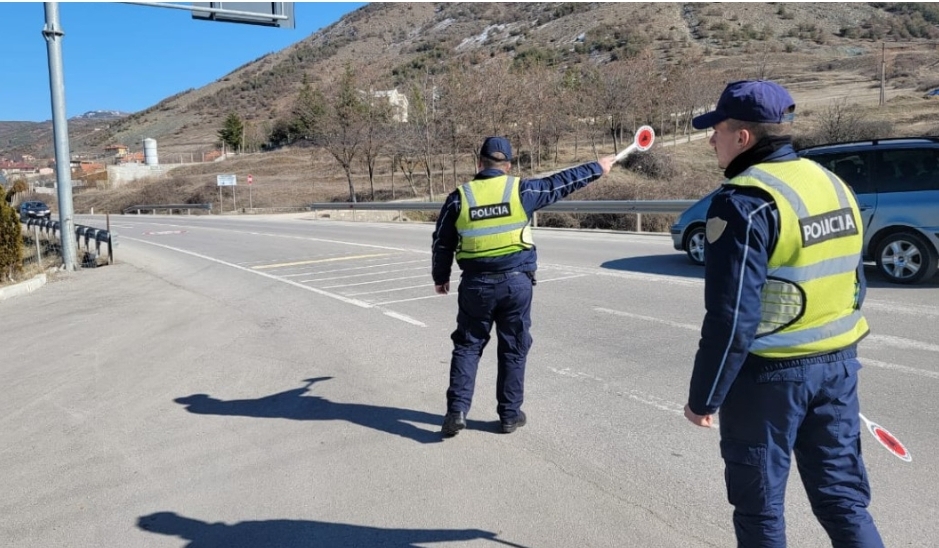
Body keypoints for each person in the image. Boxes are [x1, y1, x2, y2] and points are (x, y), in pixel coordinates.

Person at [683, 79, 884, 547]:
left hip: (769, 380)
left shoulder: (744, 203)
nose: (711, 138)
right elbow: (855, 282)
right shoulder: (832, 182)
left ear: (743, 137)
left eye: (717, 129)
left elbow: (731, 318)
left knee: (760, 510)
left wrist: (704, 399)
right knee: (843, 499)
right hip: (837, 367)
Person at [433, 136, 616, 437]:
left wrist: (440, 277)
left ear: (479, 163)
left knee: (467, 346)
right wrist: (597, 167)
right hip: (516, 284)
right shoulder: (521, 190)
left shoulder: (459, 197)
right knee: (514, 348)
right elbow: (560, 182)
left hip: (476, 285)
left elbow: (442, 242)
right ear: (507, 166)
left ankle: (457, 411)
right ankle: (508, 415)